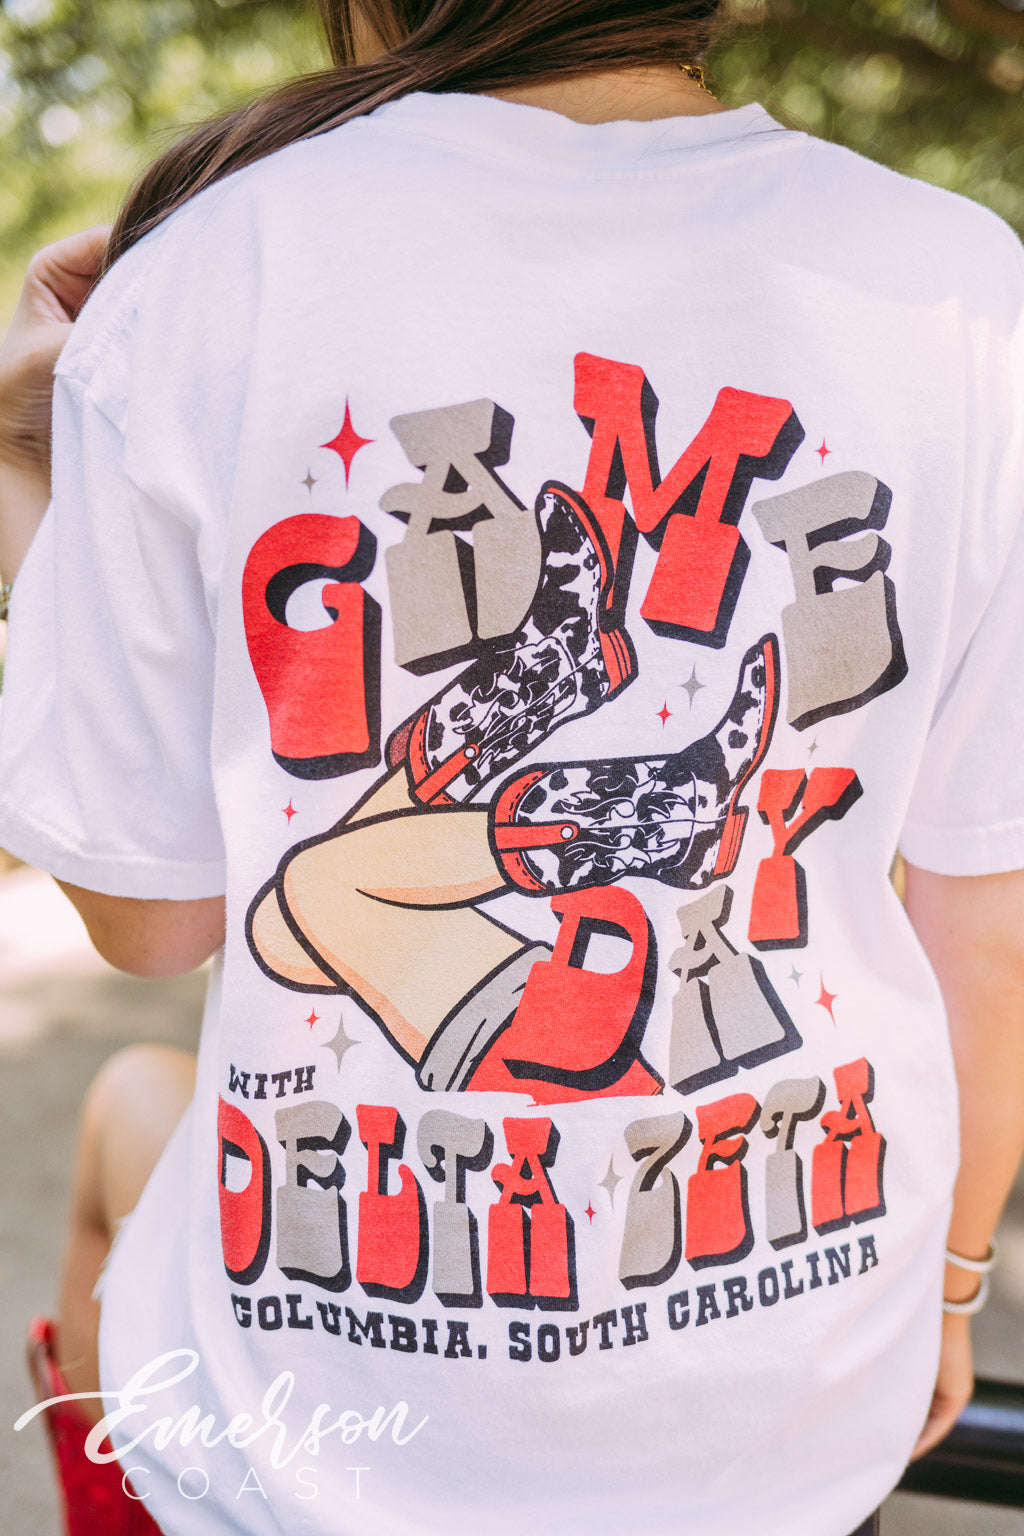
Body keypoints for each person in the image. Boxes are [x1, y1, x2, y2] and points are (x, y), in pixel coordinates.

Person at [2, 2, 1023, 1533]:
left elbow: (152, 920)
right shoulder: (964, 288)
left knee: (307, 904)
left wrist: (30, 469)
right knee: (297, 918)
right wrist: (944, 1285)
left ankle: (574, 765)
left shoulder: (209, 272)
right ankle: (562, 738)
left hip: (386, 1346)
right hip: (772, 1386)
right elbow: (990, 921)